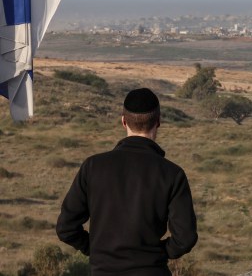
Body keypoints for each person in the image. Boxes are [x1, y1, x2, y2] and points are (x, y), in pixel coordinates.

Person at [56, 88, 198, 276]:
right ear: (158, 122)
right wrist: (155, 254)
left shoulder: (93, 167)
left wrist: (97, 251)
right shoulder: (172, 173)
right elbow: (185, 238)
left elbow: (66, 228)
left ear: (123, 121)